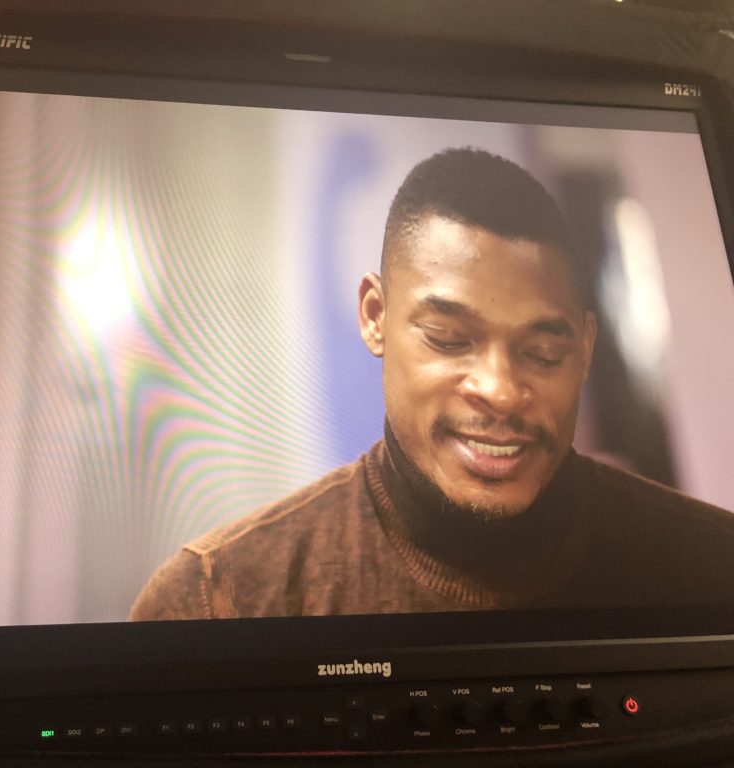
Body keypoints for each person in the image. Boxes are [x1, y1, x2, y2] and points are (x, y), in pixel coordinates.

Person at [130, 147, 734, 621]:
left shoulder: (711, 565)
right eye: (449, 339)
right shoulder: (219, 598)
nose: (500, 390)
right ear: (374, 317)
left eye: (543, 353)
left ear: (585, 347)